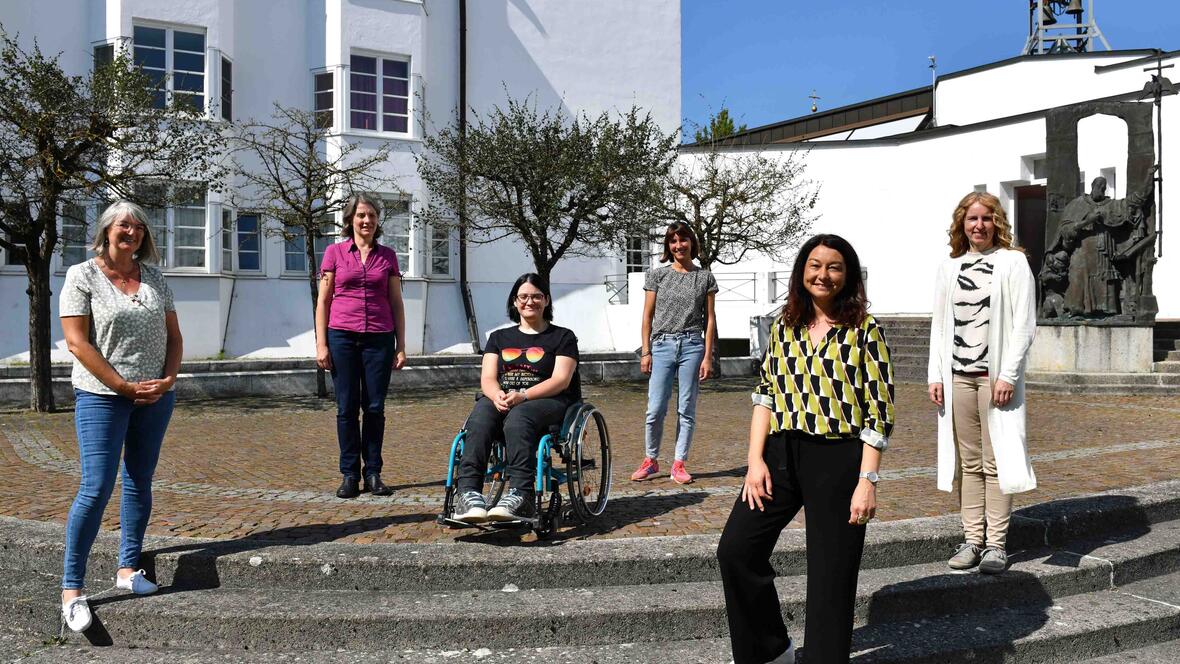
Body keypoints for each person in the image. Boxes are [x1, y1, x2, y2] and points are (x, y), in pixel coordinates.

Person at [717, 234, 894, 664]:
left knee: (831, 577)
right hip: (780, 454)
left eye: (834, 267)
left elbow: (879, 412)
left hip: (839, 458)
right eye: (815, 265)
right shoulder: (785, 326)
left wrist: (867, 481)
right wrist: (754, 461)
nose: (823, 274)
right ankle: (769, 650)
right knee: (737, 550)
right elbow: (765, 395)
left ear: (847, 275)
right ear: (802, 272)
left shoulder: (864, 330)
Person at [58, 200, 183, 633]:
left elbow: (174, 336)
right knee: (96, 486)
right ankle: (71, 589)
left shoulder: (154, 277)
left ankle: (128, 568)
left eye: (138, 227)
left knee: (139, 480)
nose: (131, 232)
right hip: (101, 396)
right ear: (107, 231)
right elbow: (77, 342)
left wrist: (168, 380)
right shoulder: (82, 275)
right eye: (123, 226)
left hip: (154, 397)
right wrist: (123, 386)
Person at [928, 191, 1037, 575]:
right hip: (958, 378)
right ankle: (972, 539)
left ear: (997, 223)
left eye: (986, 218)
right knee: (969, 463)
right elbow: (940, 325)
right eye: (972, 219)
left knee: (997, 461)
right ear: (962, 224)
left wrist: (1007, 374)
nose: (979, 225)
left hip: (995, 381)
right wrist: (935, 374)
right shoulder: (950, 268)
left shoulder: (1013, 262)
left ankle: (996, 545)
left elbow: (1024, 324)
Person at [450, 273, 580, 523]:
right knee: (480, 417)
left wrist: (524, 395)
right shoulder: (499, 338)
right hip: (504, 397)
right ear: (514, 301)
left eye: (536, 296)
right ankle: (468, 493)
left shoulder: (563, 337)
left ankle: (521, 493)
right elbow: (488, 377)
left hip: (548, 400)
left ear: (546, 300)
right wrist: (496, 395)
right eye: (523, 297)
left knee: (519, 417)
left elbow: (561, 380)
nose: (529, 302)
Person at [316, 193, 407, 499]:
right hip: (342, 337)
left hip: (379, 339)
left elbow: (396, 302)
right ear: (350, 220)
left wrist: (401, 344)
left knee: (375, 408)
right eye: (360, 215)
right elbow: (323, 301)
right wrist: (321, 344)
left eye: (371, 215)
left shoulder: (388, 256)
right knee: (346, 408)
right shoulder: (334, 253)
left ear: (378, 221)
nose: (366, 221)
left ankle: (373, 473)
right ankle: (350, 474)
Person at [631, 222, 718, 485]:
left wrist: (708, 356)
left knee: (686, 407)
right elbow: (647, 316)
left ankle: (679, 463)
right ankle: (651, 459)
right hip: (662, 345)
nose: (678, 246)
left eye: (683, 240)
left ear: (692, 243)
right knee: (655, 408)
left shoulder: (705, 277)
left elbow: (710, 320)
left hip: (692, 344)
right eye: (673, 241)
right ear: (668, 246)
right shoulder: (657, 276)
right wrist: (646, 352)